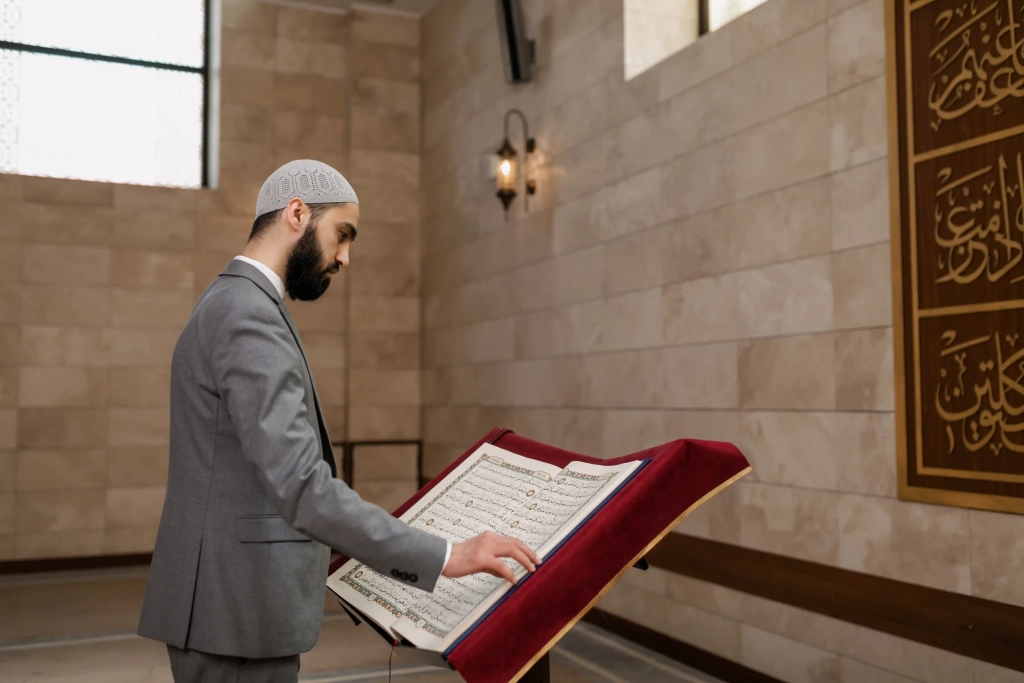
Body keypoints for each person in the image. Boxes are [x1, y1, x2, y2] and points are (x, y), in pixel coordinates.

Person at [138, 160, 539, 682]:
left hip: (227, 607)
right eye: (342, 235)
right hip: (235, 613)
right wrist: (445, 555)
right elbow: (302, 485)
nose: (346, 258)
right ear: (298, 214)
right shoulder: (248, 315)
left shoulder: (235, 301)